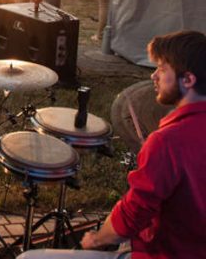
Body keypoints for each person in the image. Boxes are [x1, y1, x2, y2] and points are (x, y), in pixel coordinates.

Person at [18, 30, 206, 259]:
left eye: (163, 69)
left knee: (29, 258)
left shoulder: (168, 142)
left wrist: (97, 239)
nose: (153, 76)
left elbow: (132, 215)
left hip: (163, 252)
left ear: (188, 79)